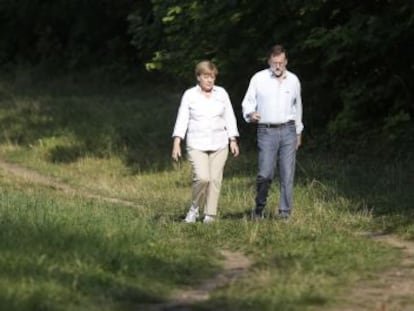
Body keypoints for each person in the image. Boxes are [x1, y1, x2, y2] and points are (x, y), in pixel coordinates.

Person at [171, 60, 240, 223]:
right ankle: (194, 208)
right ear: (198, 77)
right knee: (203, 178)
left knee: (215, 179)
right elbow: (182, 119)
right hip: (197, 143)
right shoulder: (189, 95)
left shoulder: (221, 93)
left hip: (219, 143)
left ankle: (210, 214)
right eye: (206, 76)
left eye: (212, 77)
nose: (209, 80)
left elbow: (229, 116)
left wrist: (233, 140)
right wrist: (176, 142)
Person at [241, 44, 303, 220]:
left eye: (281, 63)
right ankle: (259, 208)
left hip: (289, 130)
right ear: (269, 61)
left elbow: (298, 107)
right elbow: (247, 103)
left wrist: (298, 132)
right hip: (266, 131)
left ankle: (285, 213)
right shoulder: (259, 79)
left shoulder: (293, 80)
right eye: (275, 62)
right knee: (265, 174)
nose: (278, 66)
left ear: (286, 61)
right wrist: (250, 114)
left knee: (287, 173)